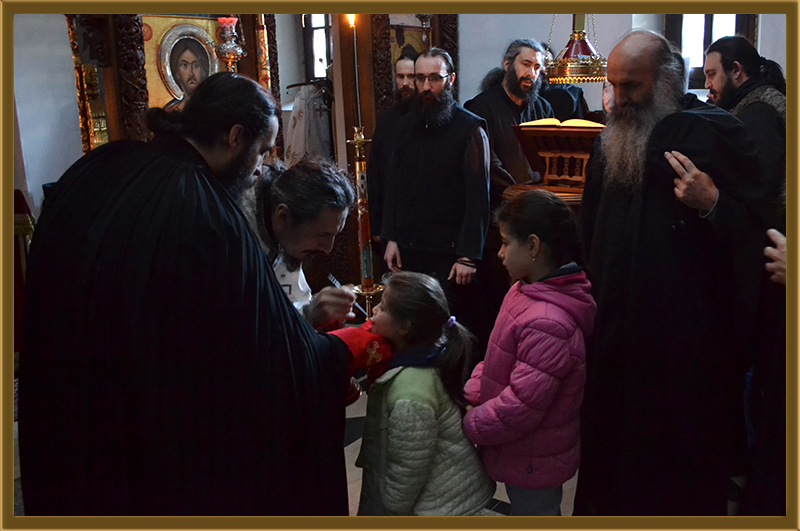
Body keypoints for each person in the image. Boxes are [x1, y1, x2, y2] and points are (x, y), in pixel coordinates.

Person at [20, 73, 350, 515]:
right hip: (146, 428)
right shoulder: (204, 208)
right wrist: (332, 355)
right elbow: (256, 348)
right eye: (262, 150)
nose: (259, 169)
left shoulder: (103, 163)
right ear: (235, 137)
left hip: (72, 406)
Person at [574, 30, 768, 516]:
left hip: (681, 356)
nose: (619, 100)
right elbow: (590, 233)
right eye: (613, 85)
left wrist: (713, 204)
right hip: (616, 340)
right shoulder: (608, 144)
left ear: (667, 82)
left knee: (673, 482)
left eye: (632, 87)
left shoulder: (715, 135)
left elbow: (760, 235)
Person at [463, 190, 596, 516]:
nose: (500, 253)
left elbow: (523, 404)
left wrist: (471, 422)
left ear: (534, 246)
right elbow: (498, 356)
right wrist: (473, 390)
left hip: (535, 457)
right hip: (519, 447)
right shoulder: (524, 289)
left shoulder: (549, 323)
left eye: (506, 243)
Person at [353, 271, 495, 515]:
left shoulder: (410, 393)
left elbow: (409, 465)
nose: (374, 310)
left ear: (404, 327)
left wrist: (392, 506)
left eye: (383, 307)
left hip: (437, 506)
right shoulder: (427, 355)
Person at [380, 47, 491, 354]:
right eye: (420, 78)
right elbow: (394, 186)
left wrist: (468, 256)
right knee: (414, 330)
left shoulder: (470, 128)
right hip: (411, 250)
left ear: (450, 79)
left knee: (451, 334)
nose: (426, 86)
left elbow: (478, 198)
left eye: (434, 78)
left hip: (451, 255)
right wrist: (391, 237)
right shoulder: (404, 126)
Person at [239, 158, 358, 331]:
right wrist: (308, 315)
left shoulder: (287, 236)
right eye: (322, 235)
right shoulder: (238, 235)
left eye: (334, 235)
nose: (328, 248)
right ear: (282, 216)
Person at [367, 49, 418, 239]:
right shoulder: (387, 119)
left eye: (411, 77)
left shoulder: (429, 116)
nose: (405, 83)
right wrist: (377, 225)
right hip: (392, 217)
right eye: (400, 76)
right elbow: (376, 174)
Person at [165, 38, 209, 112]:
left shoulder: (213, 108)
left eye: (196, 65)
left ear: (204, 71)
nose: (191, 73)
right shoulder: (171, 111)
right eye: (184, 65)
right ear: (177, 73)